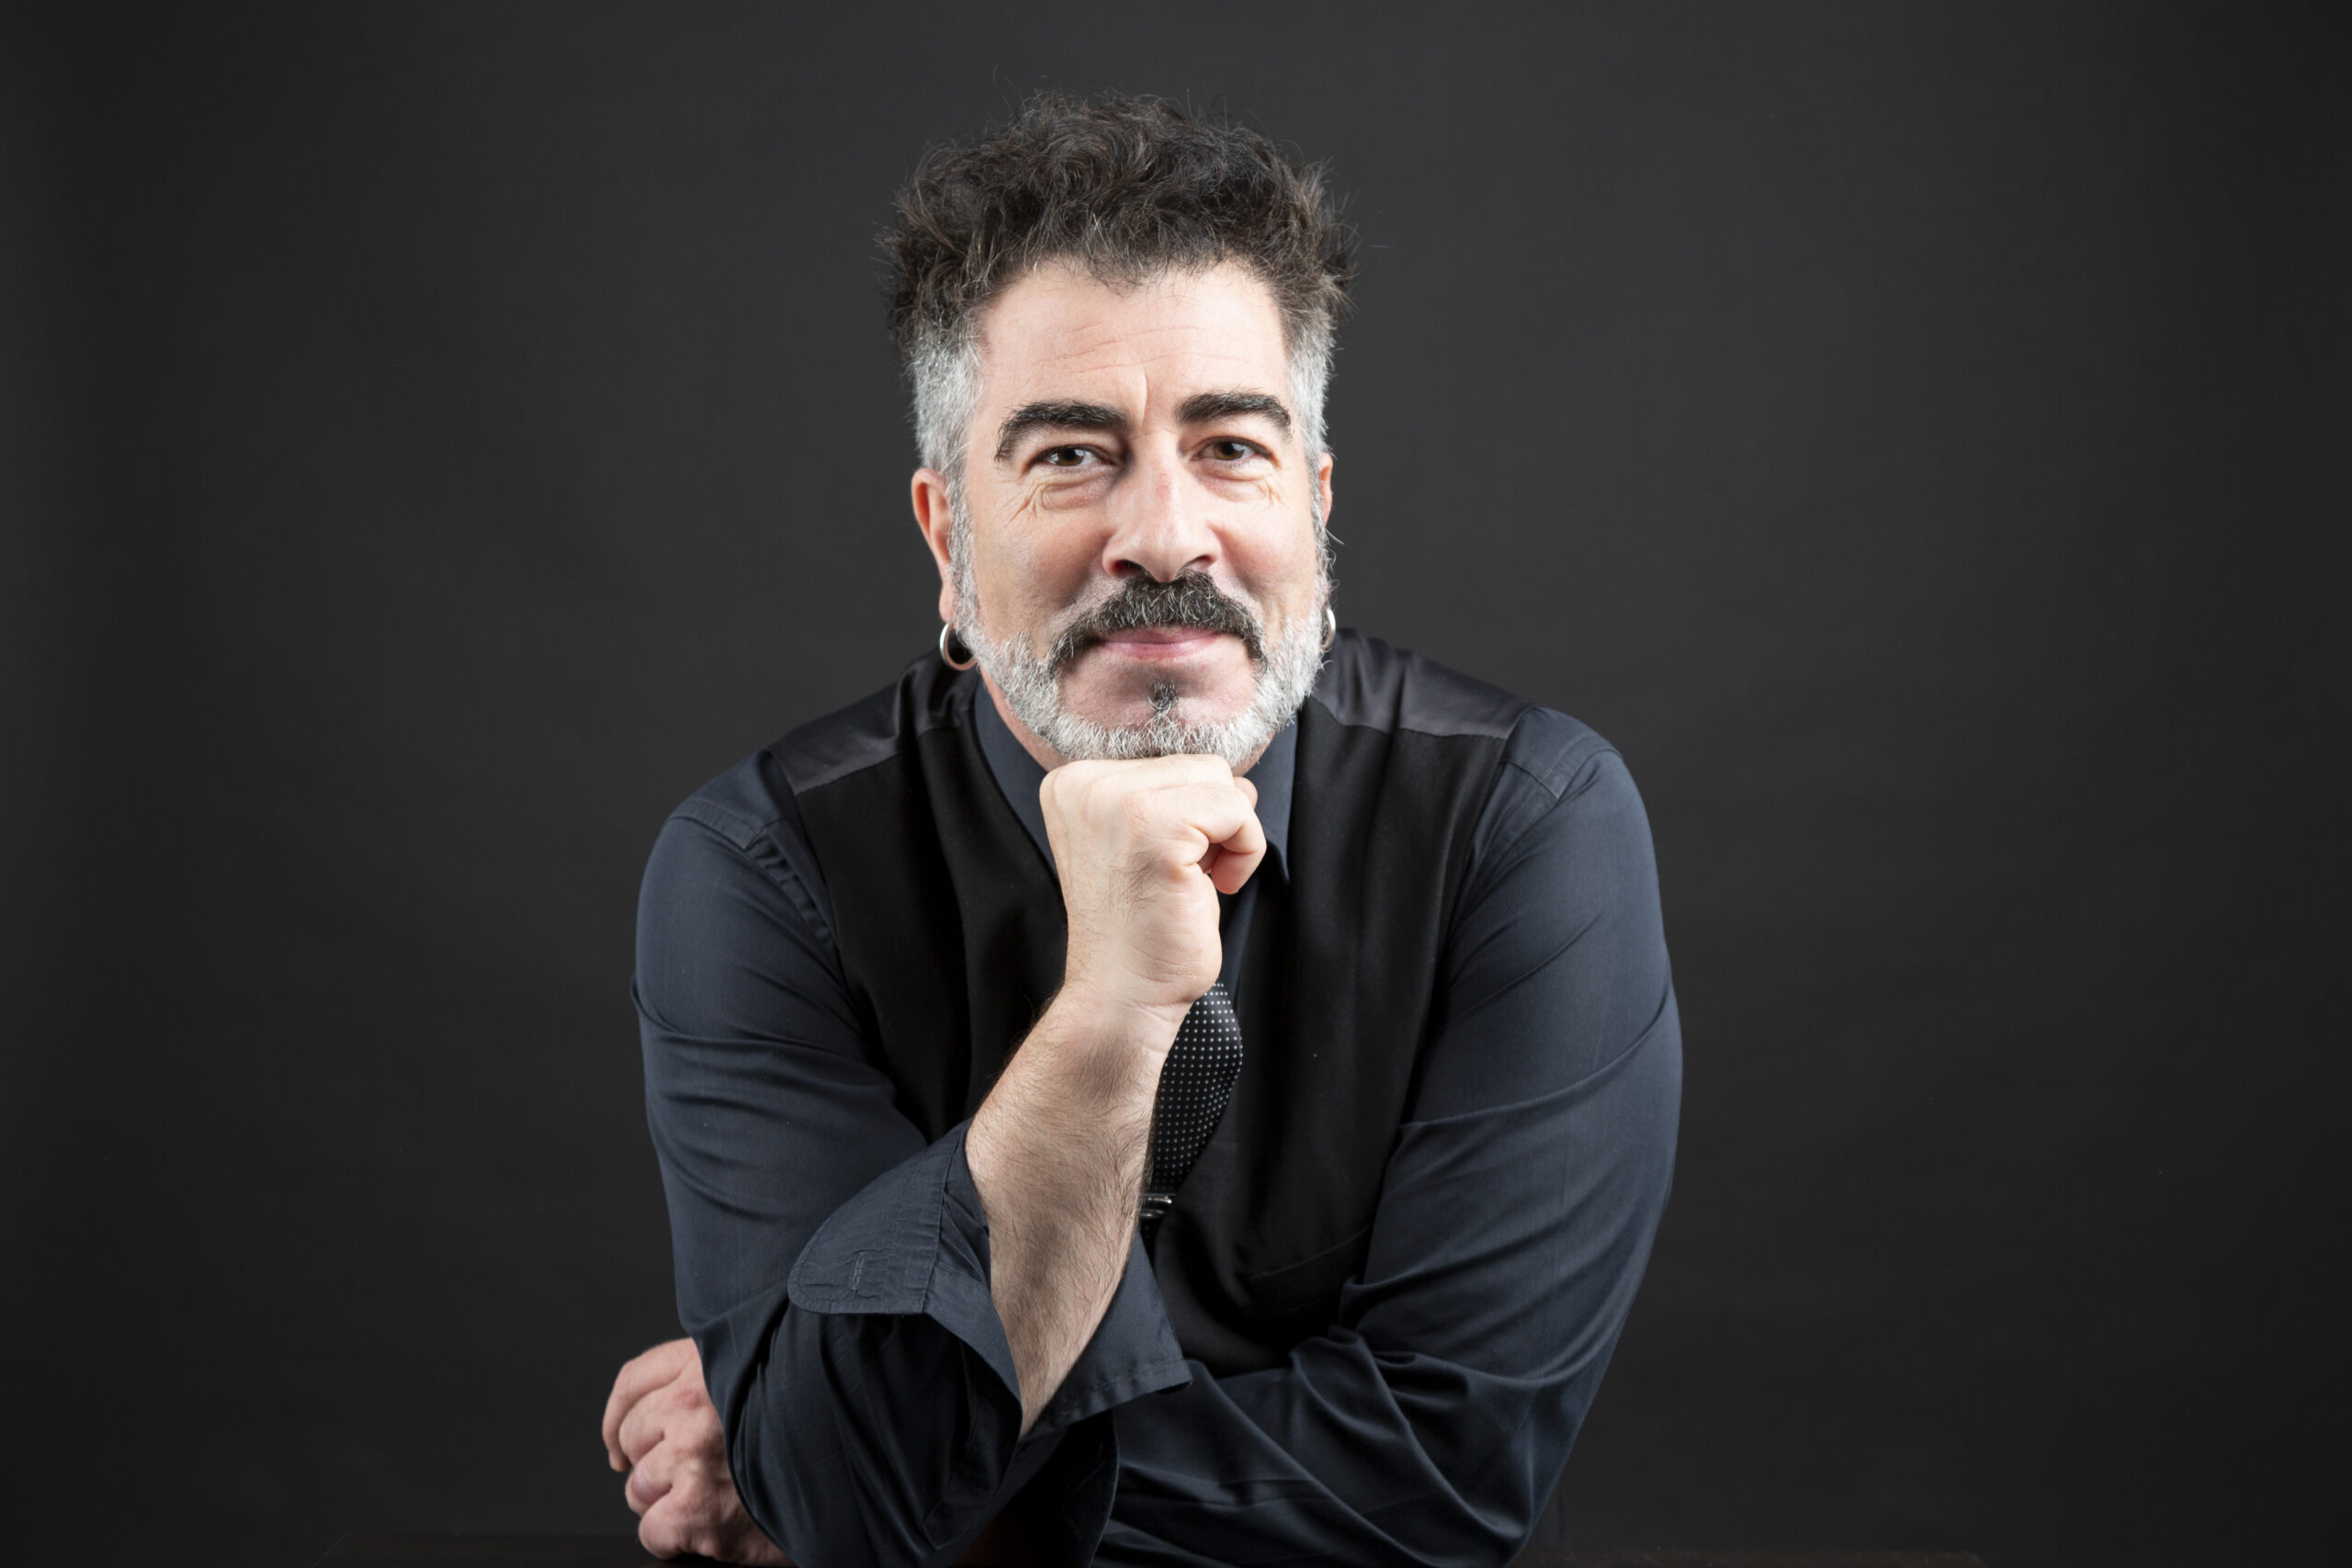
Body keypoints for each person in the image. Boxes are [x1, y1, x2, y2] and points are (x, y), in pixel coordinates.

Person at [598, 94, 1680, 1567]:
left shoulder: (1526, 825)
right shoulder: (760, 874)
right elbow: (844, 1489)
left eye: (1230, 446)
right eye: (1070, 455)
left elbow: (1442, 1483)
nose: (1166, 535)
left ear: (1314, 509)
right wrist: (1114, 1010)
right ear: (948, 538)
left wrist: (917, 1490)